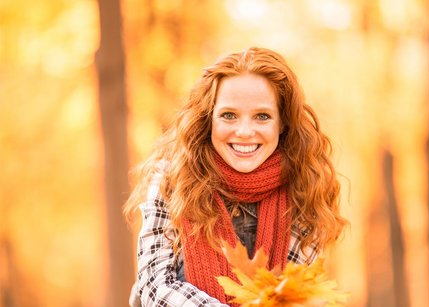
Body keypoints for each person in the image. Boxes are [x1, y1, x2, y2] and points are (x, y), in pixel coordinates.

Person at [124, 47, 348, 307]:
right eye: (228, 115)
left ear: (283, 122)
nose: (244, 131)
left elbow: (291, 296)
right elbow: (155, 287)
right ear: (210, 118)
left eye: (262, 116)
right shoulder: (173, 177)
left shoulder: (304, 187)